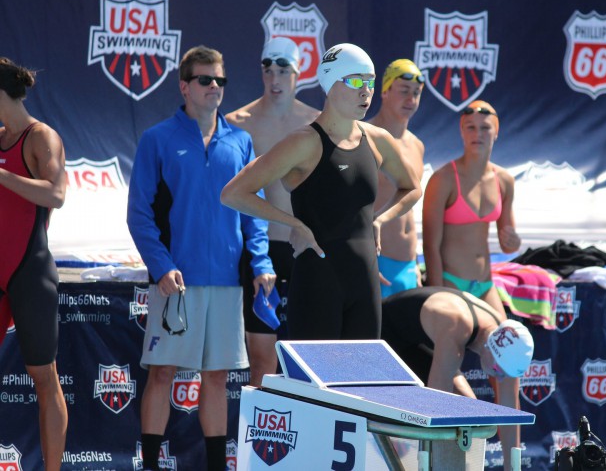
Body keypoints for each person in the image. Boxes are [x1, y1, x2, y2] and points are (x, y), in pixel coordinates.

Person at [126, 46, 275, 471]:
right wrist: (161, 266)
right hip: (176, 282)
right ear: (184, 87)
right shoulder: (157, 139)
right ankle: (150, 465)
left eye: (220, 80)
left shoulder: (241, 142)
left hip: (227, 283)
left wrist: (261, 263)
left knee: (217, 378)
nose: (214, 87)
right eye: (205, 79)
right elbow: (139, 215)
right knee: (162, 372)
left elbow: (255, 212)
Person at [221, 43, 421, 340]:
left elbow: (412, 187)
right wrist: (294, 223)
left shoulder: (377, 139)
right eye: (356, 82)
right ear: (330, 82)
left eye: (369, 82)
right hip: (317, 282)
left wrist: (379, 219)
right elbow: (233, 193)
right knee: (314, 371)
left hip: (365, 284)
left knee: (363, 370)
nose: (365, 92)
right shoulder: (304, 142)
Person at [225, 37, 320, 387]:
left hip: (302, 248)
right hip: (258, 251)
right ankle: (260, 424)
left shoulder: (316, 122)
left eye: (283, 70)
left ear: (298, 73)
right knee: (262, 358)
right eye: (268, 70)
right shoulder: (238, 123)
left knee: (307, 357)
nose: (275, 79)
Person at [381, 286, 534, 471]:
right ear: (489, 348)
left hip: (415, 339)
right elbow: (435, 408)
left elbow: (510, 408)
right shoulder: (456, 330)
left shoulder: (506, 336)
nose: (499, 378)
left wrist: (512, 467)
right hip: (383, 334)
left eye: (505, 374)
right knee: (449, 415)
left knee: (469, 411)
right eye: (497, 371)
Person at [0, 57, 68, 471]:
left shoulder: (41, 136)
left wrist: (2, 176)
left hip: (29, 269)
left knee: (44, 378)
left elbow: (56, 194)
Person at [422, 99, 521, 313]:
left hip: (485, 284)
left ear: (496, 131)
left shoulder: (504, 180)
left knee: (504, 334)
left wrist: (514, 241)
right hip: (450, 282)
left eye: (485, 128)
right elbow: (430, 246)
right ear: (461, 131)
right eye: (471, 127)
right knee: (458, 335)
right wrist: (437, 293)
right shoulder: (443, 179)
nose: (478, 134)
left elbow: (508, 246)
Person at [368, 59, 426, 297]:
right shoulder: (365, 138)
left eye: (416, 93)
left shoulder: (417, 145)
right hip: (376, 261)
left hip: (409, 265)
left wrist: (416, 264)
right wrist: (362, 260)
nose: (411, 99)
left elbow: (409, 209)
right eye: (404, 91)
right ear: (385, 91)